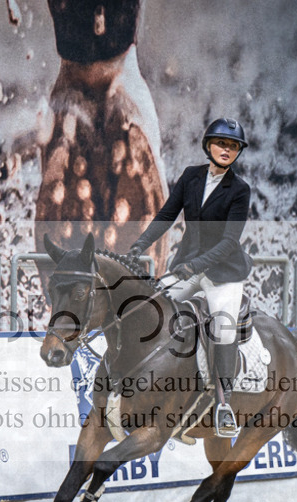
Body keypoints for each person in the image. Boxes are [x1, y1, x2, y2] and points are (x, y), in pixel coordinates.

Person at [127, 117, 252, 437]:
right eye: (222, 143)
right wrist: (142, 242)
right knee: (152, 307)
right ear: (208, 145)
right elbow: (167, 214)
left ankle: (224, 405)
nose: (227, 150)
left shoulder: (239, 190)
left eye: (233, 146)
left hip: (223, 273)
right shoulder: (190, 177)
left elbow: (228, 242)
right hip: (188, 265)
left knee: (223, 327)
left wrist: (194, 267)